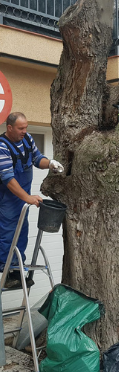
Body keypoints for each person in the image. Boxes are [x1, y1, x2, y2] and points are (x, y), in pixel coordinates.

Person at [0, 112, 63, 288]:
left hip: (22, 199)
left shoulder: (27, 139)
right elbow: (8, 179)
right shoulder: (2, 146)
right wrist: (27, 197)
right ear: (10, 127)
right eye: (21, 128)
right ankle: (7, 273)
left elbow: (36, 158)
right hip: (7, 199)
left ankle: (18, 271)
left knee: (22, 232)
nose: (24, 131)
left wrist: (49, 163)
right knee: (8, 233)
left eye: (26, 127)